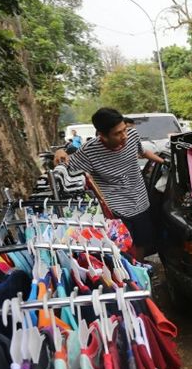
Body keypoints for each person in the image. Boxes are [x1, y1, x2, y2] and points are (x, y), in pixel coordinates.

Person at [53, 108, 156, 259]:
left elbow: (142, 152)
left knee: (142, 244)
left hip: (141, 202)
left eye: (124, 130)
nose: (124, 136)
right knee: (124, 249)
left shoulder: (132, 136)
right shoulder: (89, 151)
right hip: (117, 211)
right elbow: (64, 168)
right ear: (102, 135)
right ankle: (131, 274)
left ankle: (141, 270)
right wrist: (60, 151)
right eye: (117, 133)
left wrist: (165, 162)